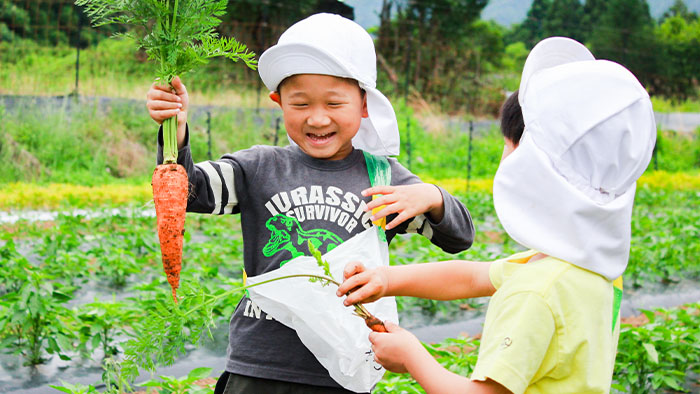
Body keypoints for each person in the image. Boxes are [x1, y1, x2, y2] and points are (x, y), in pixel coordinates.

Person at [145, 13, 475, 394]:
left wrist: (432, 198)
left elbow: (458, 238)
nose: (317, 118)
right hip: (259, 365)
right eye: (300, 104)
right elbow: (191, 192)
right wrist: (177, 128)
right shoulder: (258, 167)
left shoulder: (384, 178)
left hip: (341, 367)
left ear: (364, 104)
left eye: (335, 103)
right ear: (278, 101)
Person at [337, 36, 656, 394]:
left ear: (530, 169)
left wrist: (412, 357)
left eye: (508, 148)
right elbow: (472, 278)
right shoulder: (585, 266)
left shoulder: (535, 292)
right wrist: (386, 279)